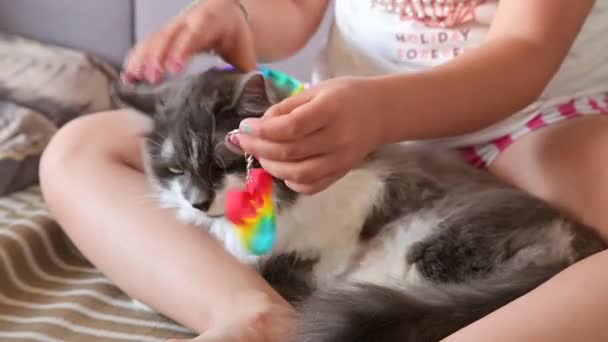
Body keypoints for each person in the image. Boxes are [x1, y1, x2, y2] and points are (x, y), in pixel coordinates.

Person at [40, 0, 608, 341]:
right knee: (81, 150)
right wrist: (235, 14)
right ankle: (250, 311)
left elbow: (526, 49)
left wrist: (384, 111)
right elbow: (289, 9)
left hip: (532, 126)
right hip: (341, 130)